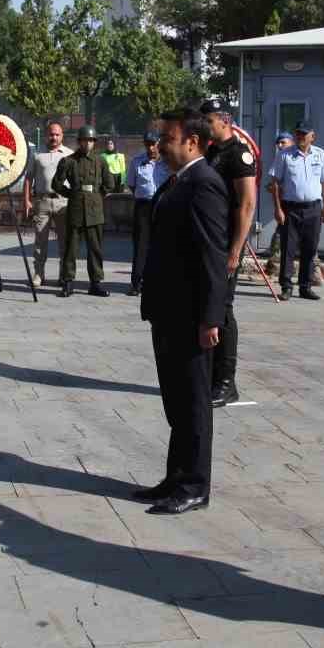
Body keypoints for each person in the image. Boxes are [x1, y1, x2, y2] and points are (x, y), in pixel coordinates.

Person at [133, 107, 228, 515]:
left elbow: (212, 255)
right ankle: (175, 477)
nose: (161, 146)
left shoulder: (204, 183)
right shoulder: (177, 181)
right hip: (168, 311)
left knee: (193, 403)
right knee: (176, 401)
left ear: (191, 141)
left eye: (168, 139)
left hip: (191, 315)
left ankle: (194, 485)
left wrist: (211, 317)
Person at [201, 99, 258, 408]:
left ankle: (226, 382)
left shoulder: (239, 154)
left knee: (222, 309)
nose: (205, 125)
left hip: (226, 243)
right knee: (207, 305)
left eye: (208, 119)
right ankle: (209, 376)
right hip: (209, 241)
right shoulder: (212, 152)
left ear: (224, 120)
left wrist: (235, 249)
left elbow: (247, 204)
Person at [51, 125, 121, 297]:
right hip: (75, 210)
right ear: (79, 141)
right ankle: (67, 282)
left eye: (90, 140)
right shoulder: (68, 161)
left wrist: (97, 196)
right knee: (71, 249)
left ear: (94, 142)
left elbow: (110, 184)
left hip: (95, 212)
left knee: (95, 248)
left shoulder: (100, 161)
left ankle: (95, 283)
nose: (87, 143)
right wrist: (71, 194)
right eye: (84, 140)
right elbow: (56, 184)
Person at [266, 122, 324, 299]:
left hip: (313, 209)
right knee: (288, 248)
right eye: (298, 134)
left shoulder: (320, 154)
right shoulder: (284, 155)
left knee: (310, 249)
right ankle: (286, 287)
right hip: (290, 209)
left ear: (313, 136)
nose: (301, 137)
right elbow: (274, 183)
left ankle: (305, 286)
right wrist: (278, 209)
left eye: (304, 134)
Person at [22, 122, 72, 287]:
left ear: (62, 136)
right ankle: (38, 274)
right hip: (42, 202)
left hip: (63, 203)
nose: (54, 137)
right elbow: (28, 178)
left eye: (57, 134)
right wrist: (27, 200)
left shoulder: (69, 155)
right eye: (51, 134)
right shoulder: (37, 155)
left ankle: (63, 275)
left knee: (64, 242)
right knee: (40, 241)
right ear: (46, 135)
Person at [126, 131, 169, 295]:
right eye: (147, 144)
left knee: (162, 246)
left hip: (163, 206)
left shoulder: (167, 162)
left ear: (159, 143)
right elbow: (131, 185)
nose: (151, 148)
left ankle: (160, 282)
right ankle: (136, 283)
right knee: (141, 246)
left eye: (153, 144)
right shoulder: (137, 162)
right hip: (143, 207)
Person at [263, 131, 293, 279]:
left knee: (280, 238)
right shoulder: (280, 158)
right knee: (280, 238)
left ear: (291, 143)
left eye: (283, 142)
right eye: (278, 143)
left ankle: (314, 272)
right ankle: (272, 270)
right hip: (285, 206)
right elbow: (275, 182)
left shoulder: (294, 158)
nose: (280, 146)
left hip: (297, 205)